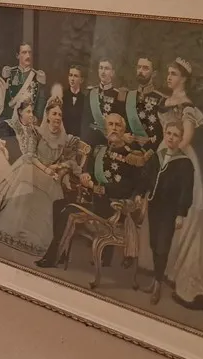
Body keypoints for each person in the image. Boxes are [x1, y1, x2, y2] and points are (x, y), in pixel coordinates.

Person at [146, 57, 203, 316]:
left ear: (183, 78)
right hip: (163, 152)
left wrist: (170, 156)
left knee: (179, 216)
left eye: (174, 74)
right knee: (158, 213)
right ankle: (160, 270)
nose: (169, 77)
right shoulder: (166, 101)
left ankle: (177, 273)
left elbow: (186, 137)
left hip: (180, 158)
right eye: (168, 73)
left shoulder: (187, 106)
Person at [0, 97, 84, 257]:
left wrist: (58, 167)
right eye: (54, 114)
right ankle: (12, 231)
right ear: (47, 115)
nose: (57, 117)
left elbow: (68, 161)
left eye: (59, 115)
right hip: (33, 166)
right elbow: (31, 156)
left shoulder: (65, 138)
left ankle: (35, 237)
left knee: (46, 190)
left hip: (50, 175)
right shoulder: (36, 132)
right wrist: (46, 169)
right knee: (25, 181)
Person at [36, 113, 146, 269]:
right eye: (110, 125)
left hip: (114, 207)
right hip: (97, 202)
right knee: (58, 205)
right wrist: (86, 176)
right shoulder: (100, 150)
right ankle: (62, 252)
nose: (114, 128)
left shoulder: (132, 156)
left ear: (124, 129)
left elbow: (127, 188)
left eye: (118, 125)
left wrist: (95, 187)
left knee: (68, 211)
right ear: (106, 129)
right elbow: (92, 174)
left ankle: (52, 257)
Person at [142, 121, 192, 304]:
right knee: (154, 244)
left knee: (163, 246)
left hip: (170, 211)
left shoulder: (185, 163)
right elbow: (146, 177)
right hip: (155, 206)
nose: (171, 138)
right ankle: (156, 278)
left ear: (180, 139)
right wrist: (140, 193)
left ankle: (157, 284)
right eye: (169, 133)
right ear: (164, 134)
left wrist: (180, 214)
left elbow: (186, 190)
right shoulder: (158, 156)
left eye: (175, 135)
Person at [120, 56, 166, 153]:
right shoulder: (127, 96)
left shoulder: (161, 99)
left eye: (145, 68)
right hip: (128, 150)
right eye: (139, 67)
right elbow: (120, 123)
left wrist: (148, 151)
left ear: (154, 73)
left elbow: (163, 133)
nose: (141, 71)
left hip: (150, 152)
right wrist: (122, 136)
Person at [81, 59, 125, 146]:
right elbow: (85, 119)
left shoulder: (118, 95)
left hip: (106, 140)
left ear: (112, 73)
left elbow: (119, 122)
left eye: (106, 68)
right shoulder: (90, 92)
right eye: (101, 68)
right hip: (89, 138)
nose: (103, 71)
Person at [0, 43, 47, 122]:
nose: (28, 56)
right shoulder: (10, 73)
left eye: (29, 52)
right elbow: (4, 100)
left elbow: (41, 100)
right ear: (17, 56)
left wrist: (36, 117)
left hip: (29, 119)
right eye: (24, 52)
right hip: (11, 118)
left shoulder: (37, 76)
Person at [54, 64, 86, 138]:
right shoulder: (61, 96)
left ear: (81, 80)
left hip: (78, 138)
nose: (72, 79)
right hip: (61, 136)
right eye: (70, 75)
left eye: (75, 76)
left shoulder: (85, 99)